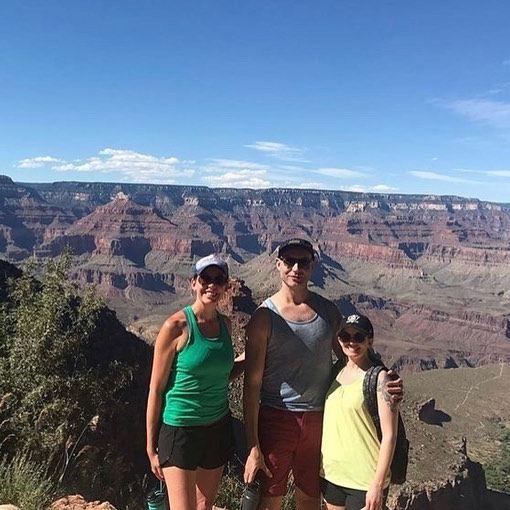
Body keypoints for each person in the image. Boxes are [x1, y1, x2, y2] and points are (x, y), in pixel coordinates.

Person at [243, 238, 403, 510]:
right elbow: (252, 385)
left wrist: (385, 379)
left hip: (319, 420)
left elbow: (353, 355)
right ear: (278, 265)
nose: (296, 267)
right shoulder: (263, 318)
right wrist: (253, 447)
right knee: (271, 497)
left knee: (310, 495)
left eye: (303, 262)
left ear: (312, 266)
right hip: (276, 417)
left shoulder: (327, 311)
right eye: (290, 261)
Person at [146, 254, 244, 510]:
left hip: (217, 427)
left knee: (205, 506)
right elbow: (156, 390)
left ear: (225, 287)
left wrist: (254, 355)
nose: (212, 285)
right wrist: (151, 446)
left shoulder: (225, 324)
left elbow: (222, 373)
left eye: (219, 279)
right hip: (181, 428)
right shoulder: (175, 326)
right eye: (205, 279)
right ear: (194, 283)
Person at [320, 314, 398, 510]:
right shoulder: (334, 372)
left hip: (365, 481)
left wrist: (377, 485)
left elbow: (390, 435)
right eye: (346, 336)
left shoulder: (381, 379)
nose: (351, 342)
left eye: (359, 337)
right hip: (332, 476)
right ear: (339, 340)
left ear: (369, 340)